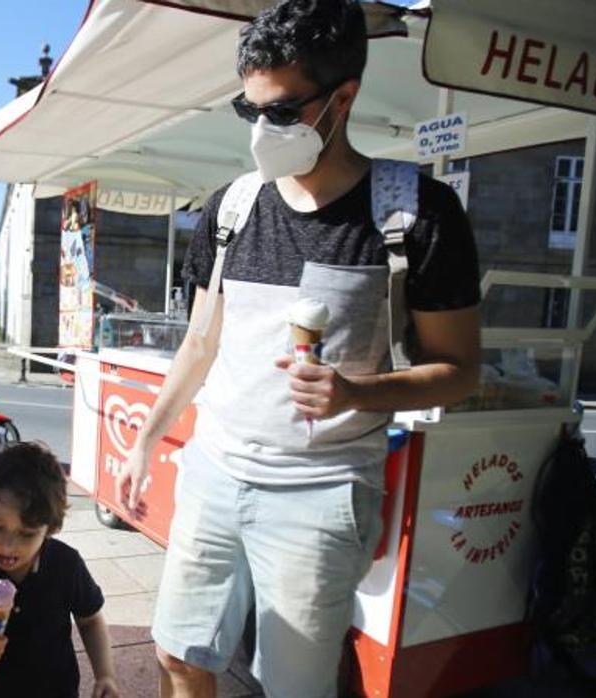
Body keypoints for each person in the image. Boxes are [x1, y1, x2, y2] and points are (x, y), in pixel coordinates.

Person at [115, 1, 482, 695]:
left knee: (293, 686)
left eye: (280, 111)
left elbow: (459, 372)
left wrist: (355, 393)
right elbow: (200, 342)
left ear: (343, 96)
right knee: (178, 653)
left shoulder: (413, 213)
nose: (262, 130)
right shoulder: (229, 208)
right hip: (214, 472)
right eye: (247, 109)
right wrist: (145, 442)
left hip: (322, 490)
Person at [0, 443, 120, 698]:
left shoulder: (65, 565)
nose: (8, 546)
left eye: (27, 534)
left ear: (50, 528)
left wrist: (105, 674)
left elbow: (90, 621)